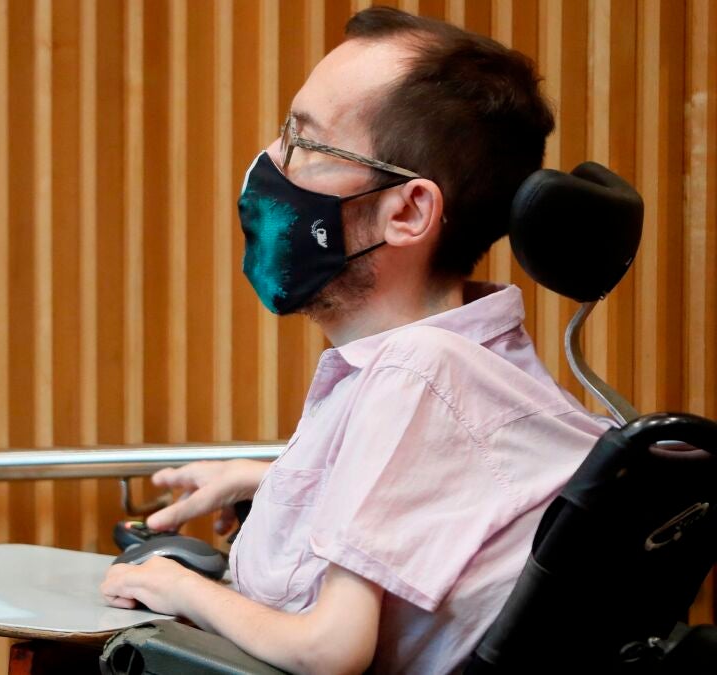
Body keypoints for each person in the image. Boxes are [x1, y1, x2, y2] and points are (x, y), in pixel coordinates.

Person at [100, 7, 611, 674]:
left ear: (407, 210)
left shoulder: (416, 371)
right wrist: (274, 480)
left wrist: (178, 587)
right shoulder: (480, 362)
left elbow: (330, 648)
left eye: (307, 144)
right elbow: (444, 498)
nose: (270, 162)